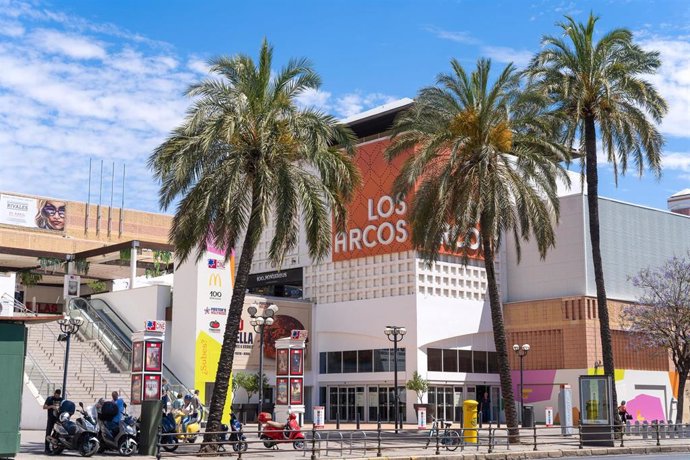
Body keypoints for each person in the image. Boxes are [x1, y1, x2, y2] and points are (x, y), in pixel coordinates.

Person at [43, 389, 62, 453]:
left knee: (57, 433)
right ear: (54, 393)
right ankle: (47, 448)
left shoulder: (61, 400)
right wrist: (51, 406)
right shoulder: (50, 398)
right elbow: (44, 407)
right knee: (48, 433)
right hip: (51, 418)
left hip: (58, 419)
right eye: (56, 394)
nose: (57, 396)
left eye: (58, 395)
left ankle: (56, 447)